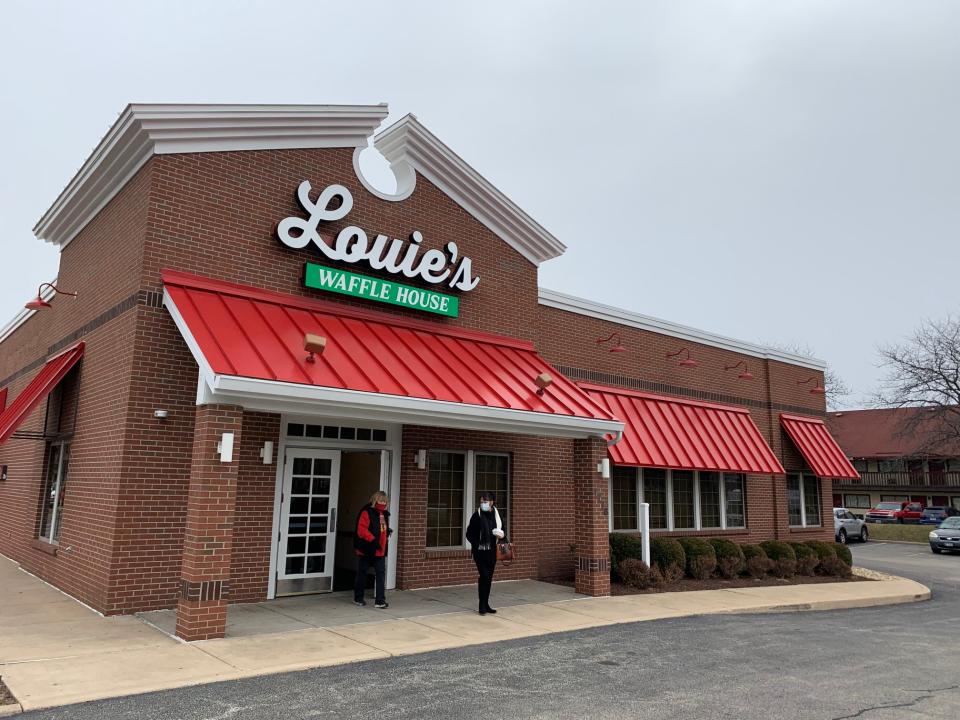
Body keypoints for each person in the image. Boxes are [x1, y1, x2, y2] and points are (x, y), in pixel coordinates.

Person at [466, 491, 505, 615]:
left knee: (489, 578)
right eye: (481, 502)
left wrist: (501, 534)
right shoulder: (476, 516)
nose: (483, 504)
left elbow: (502, 530)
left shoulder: (497, 516)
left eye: (485, 502)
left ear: (492, 502)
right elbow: (469, 534)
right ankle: (481, 605)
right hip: (480, 552)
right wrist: (477, 544)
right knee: (484, 576)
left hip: (492, 551)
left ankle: (486, 603)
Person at [353, 490, 392, 608]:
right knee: (362, 573)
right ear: (375, 500)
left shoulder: (384, 514)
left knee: (380, 574)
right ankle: (358, 598)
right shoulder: (366, 512)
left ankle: (380, 601)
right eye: (380, 500)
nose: (383, 503)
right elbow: (361, 530)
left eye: (385, 501)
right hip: (367, 549)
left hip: (380, 550)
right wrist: (373, 540)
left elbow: (382, 528)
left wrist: (387, 532)